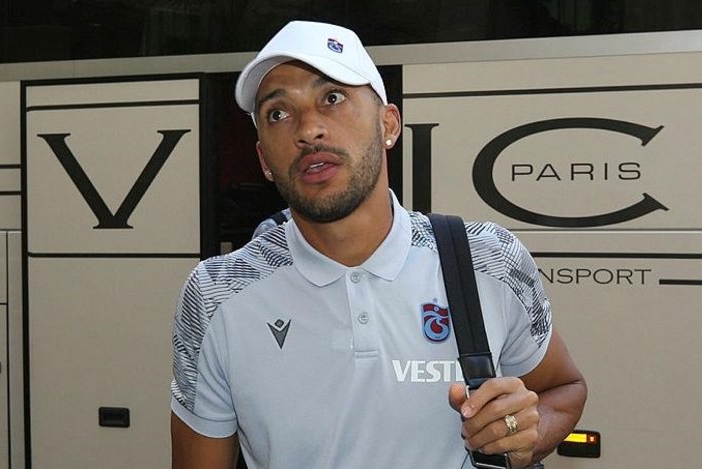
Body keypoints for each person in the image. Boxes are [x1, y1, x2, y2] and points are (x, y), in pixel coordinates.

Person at [171, 20, 586, 469]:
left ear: (388, 124)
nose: (308, 129)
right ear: (264, 160)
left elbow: (563, 390)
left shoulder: (487, 258)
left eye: (332, 98)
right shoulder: (216, 293)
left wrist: (524, 435)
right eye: (278, 113)